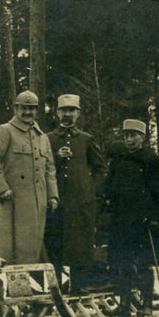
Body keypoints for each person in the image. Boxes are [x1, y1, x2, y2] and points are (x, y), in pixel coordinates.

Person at [102, 119, 159, 317]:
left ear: (143, 137)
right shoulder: (119, 159)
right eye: (126, 136)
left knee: (144, 263)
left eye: (134, 135)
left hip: (144, 221)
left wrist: (156, 216)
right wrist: (108, 202)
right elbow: (109, 185)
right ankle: (124, 305)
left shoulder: (152, 160)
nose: (129, 139)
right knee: (121, 263)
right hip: (121, 220)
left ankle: (147, 304)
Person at [0, 90, 59, 264]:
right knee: (12, 247)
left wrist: (52, 195)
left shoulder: (42, 137)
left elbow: (50, 169)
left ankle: (35, 285)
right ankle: (17, 287)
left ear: (36, 111)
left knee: (34, 244)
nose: (27, 112)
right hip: (14, 201)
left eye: (31, 109)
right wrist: (1, 189)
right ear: (16, 109)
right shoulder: (5, 131)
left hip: (38, 202)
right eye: (23, 108)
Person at [45, 93, 107, 293]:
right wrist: (56, 156)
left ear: (78, 113)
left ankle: (78, 286)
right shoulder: (48, 139)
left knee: (80, 243)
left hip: (81, 203)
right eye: (63, 110)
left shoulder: (86, 139)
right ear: (56, 113)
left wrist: (91, 191)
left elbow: (100, 169)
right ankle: (55, 289)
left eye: (71, 110)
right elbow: (41, 167)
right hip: (56, 202)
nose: (67, 115)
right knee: (54, 244)